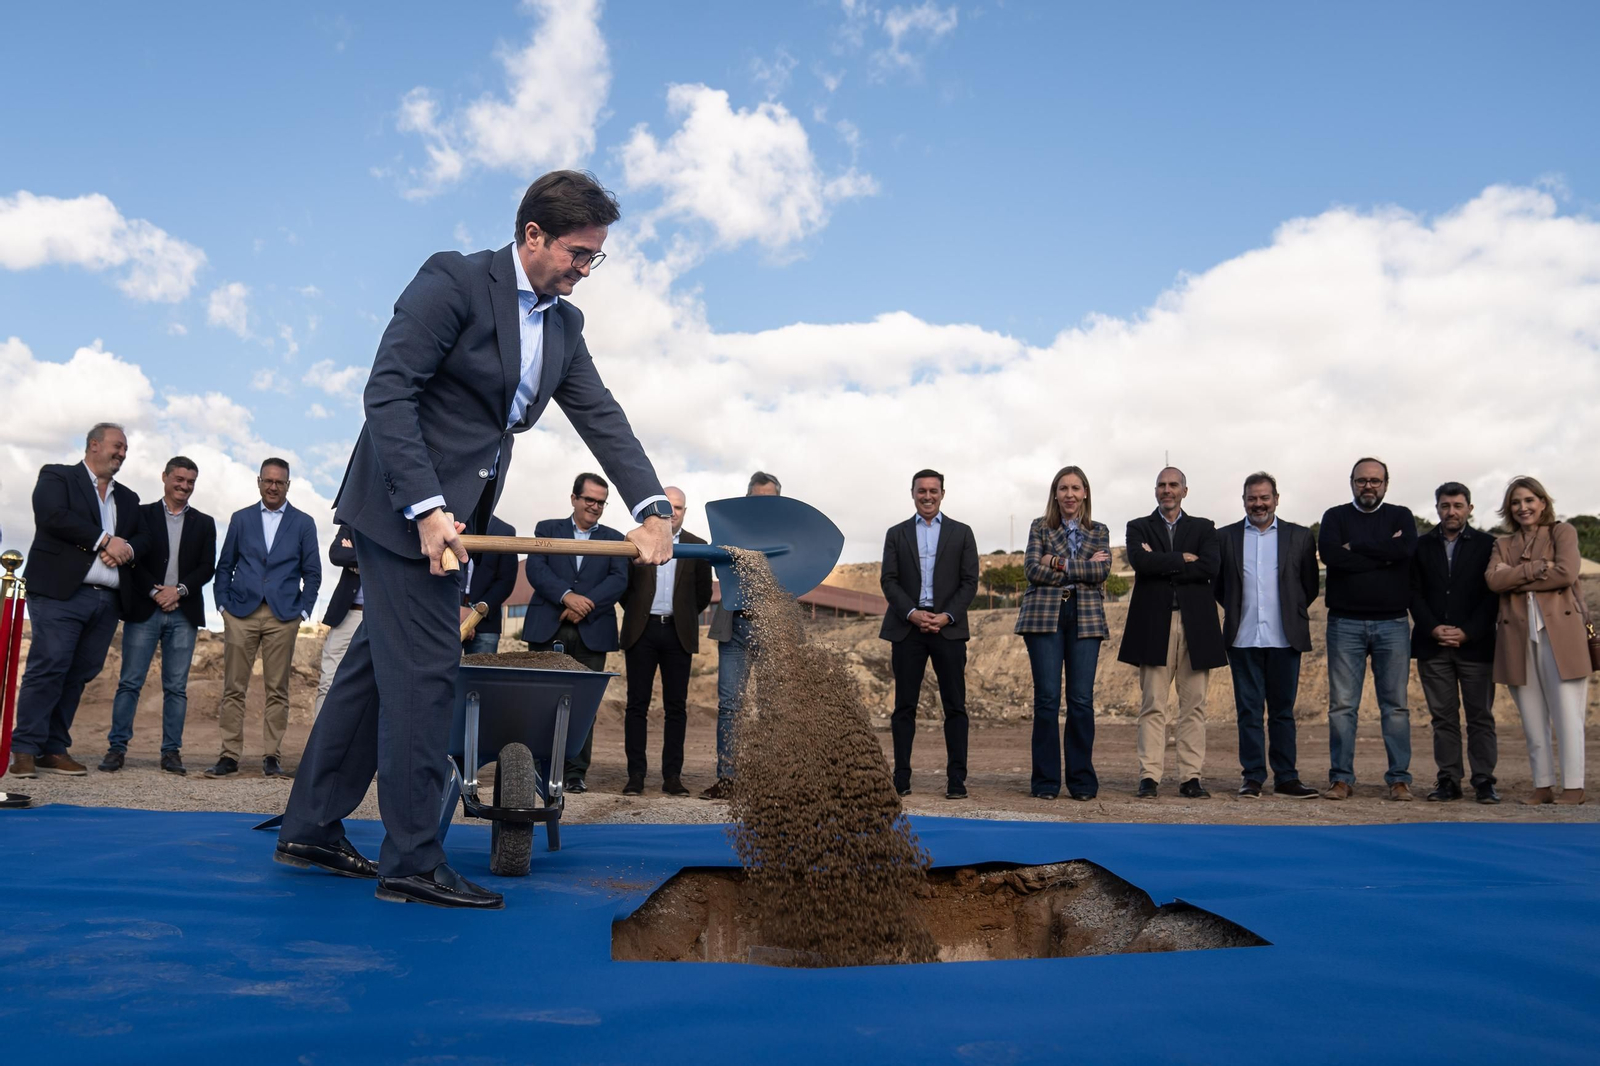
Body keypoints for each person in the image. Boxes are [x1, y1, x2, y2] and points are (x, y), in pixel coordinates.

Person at [279, 169, 672, 911]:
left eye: (596, 258)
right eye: (579, 254)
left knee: (368, 673)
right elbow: (388, 390)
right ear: (533, 235)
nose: (587, 271)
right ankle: (413, 862)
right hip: (404, 509)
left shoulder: (564, 325)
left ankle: (310, 826)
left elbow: (602, 415)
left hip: (457, 516)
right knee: (428, 678)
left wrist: (652, 507)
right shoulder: (453, 281)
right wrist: (426, 509)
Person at [8, 423, 140, 779]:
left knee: (79, 674)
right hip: (59, 595)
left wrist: (125, 548)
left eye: (125, 449)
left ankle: (53, 748)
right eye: (117, 446)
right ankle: (23, 748)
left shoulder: (128, 498)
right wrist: (103, 540)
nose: (122, 453)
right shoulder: (58, 476)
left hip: (106, 601)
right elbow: (52, 516)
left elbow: (140, 539)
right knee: (49, 665)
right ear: (94, 445)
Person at [99, 456, 217, 776]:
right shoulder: (141, 514)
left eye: (191, 481)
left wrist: (177, 591)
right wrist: (155, 592)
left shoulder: (205, 523)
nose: (184, 486)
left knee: (176, 688)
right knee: (130, 682)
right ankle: (116, 748)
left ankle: (171, 753)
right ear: (164, 477)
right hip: (144, 610)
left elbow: (207, 567)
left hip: (184, 612)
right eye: (179, 479)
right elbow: (132, 559)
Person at [207, 458, 322, 780]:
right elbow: (224, 565)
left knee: (277, 689)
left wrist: (302, 611)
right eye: (268, 481)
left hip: (283, 616)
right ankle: (229, 755)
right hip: (240, 613)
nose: (273, 487)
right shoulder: (241, 519)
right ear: (259, 482)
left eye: (279, 482)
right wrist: (222, 606)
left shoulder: (303, 523)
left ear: (288, 485)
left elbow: (312, 573)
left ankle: (272, 755)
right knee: (233, 687)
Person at [1119, 467, 1225, 799]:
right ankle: (1149, 776)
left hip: (1196, 626)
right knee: (1153, 704)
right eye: (1162, 485)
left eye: (1173, 485)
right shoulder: (1138, 527)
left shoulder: (1204, 528)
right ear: (1155, 491)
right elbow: (1140, 563)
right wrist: (1181, 559)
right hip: (1154, 625)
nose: (1167, 490)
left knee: (1193, 705)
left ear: (1185, 491)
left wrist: (1162, 562)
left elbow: (1210, 567)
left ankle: (1190, 778)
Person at [1213, 472, 1321, 799]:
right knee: (1248, 712)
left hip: (1284, 638)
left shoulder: (1300, 537)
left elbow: (1309, 586)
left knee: (1282, 712)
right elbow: (1221, 587)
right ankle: (1253, 777)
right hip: (1243, 638)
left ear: (1276, 498)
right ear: (1244, 500)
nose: (1258, 503)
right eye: (1252, 498)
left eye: (1264, 497)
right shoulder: (1225, 538)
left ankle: (1287, 777)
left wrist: (1288, 611)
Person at [1318, 457, 1419, 801]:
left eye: (1375, 481)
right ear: (1351, 482)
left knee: (1395, 706)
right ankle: (1341, 778)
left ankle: (1399, 779)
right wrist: (1384, 555)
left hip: (1393, 622)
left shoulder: (1401, 516)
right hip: (1344, 622)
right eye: (1362, 481)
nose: (1368, 487)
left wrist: (1357, 546)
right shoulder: (1335, 517)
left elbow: (1405, 550)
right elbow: (1332, 556)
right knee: (1343, 706)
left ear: (1386, 484)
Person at [1486, 476, 1589, 806]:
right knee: (1531, 718)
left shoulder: (1563, 532)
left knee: (1567, 714)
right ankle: (1542, 786)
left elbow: (1566, 574)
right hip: (1517, 637)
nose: (1523, 507)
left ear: (1543, 502)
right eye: (1516, 502)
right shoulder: (1502, 543)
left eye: (1529, 500)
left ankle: (1573, 786)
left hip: (1560, 635)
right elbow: (1492, 580)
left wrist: (1514, 576)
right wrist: (1537, 569)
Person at [524, 473, 629, 792]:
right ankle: (538, 769)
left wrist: (586, 603)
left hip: (592, 631)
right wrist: (566, 597)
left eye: (601, 502)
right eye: (589, 500)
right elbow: (536, 569)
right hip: (548, 627)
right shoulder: (546, 529)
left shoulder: (616, 537)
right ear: (574, 498)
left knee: (583, 706)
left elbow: (618, 579)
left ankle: (574, 773)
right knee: (539, 703)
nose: (595, 507)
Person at [879, 469, 980, 799]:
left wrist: (946, 616)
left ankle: (956, 779)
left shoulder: (962, 533)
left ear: (942, 493)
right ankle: (902, 777)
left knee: (955, 706)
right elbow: (889, 580)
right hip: (908, 630)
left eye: (933, 491)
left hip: (947, 630)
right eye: (921, 491)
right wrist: (913, 613)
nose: (927, 496)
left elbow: (969, 582)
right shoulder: (896, 534)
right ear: (912, 493)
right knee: (904, 707)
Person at [1015, 465, 1111, 800]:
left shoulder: (1099, 530)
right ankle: (1045, 782)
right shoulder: (1038, 527)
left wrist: (1056, 562)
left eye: (1075, 488)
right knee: (1047, 700)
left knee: (1081, 701)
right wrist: (1077, 570)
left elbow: (1102, 572)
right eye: (1063, 488)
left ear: (1085, 492)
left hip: (1085, 617)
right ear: (1055, 494)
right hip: (1044, 617)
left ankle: (1082, 781)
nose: (1069, 494)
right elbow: (1030, 569)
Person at [619, 486, 713, 796]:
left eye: (680, 508)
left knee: (676, 708)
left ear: (685, 512)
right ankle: (636, 775)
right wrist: (639, 614)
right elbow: (624, 589)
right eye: (668, 507)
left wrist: (682, 615)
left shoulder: (698, 547)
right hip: (642, 632)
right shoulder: (636, 540)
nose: (673, 513)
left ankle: (672, 777)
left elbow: (703, 595)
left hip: (678, 633)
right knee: (637, 706)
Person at [1410, 482, 1500, 803]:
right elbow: (1413, 593)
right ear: (1436, 508)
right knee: (1443, 718)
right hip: (1432, 646)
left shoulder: (1490, 545)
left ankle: (1484, 781)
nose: (1451, 511)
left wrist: (1468, 632)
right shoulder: (1420, 546)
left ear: (1469, 509)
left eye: (1458, 506)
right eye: (1445, 506)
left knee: (1480, 717)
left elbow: (1492, 596)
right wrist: (1434, 628)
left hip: (1476, 647)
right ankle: (1448, 779)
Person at [701, 470, 781, 800]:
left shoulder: (789, 535)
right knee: (730, 706)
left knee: (772, 705)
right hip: (733, 625)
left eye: (770, 501)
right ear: (747, 500)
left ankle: (770, 780)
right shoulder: (730, 530)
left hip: (774, 627)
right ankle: (729, 778)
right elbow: (714, 560)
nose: (763, 507)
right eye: (757, 500)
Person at [316, 525, 364, 717]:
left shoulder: (404, 521)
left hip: (384, 616)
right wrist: (374, 560)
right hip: (348, 614)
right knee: (328, 682)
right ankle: (318, 745)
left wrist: (356, 555)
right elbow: (337, 554)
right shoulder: (353, 519)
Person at [460, 515, 519, 656]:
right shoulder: (450, 523)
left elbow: (506, 581)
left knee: (481, 677)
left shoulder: (505, 531)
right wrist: (456, 611)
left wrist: (477, 612)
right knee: (441, 674)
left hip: (486, 624)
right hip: (448, 618)